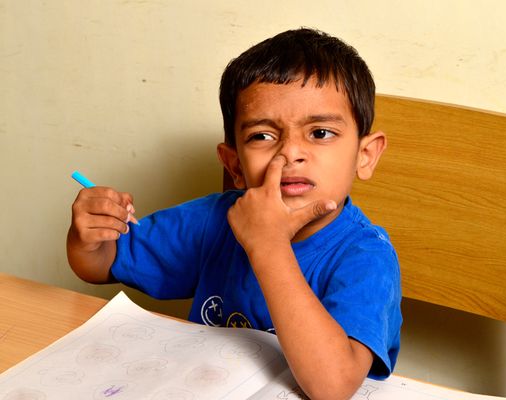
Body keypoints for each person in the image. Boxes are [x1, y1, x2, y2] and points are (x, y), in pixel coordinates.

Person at [67, 28, 401, 400]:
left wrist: (267, 245)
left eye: (320, 132)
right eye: (262, 136)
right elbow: (103, 265)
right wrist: (90, 235)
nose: (290, 153)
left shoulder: (366, 256)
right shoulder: (214, 219)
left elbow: (332, 387)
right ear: (235, 165)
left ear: (365, 155)